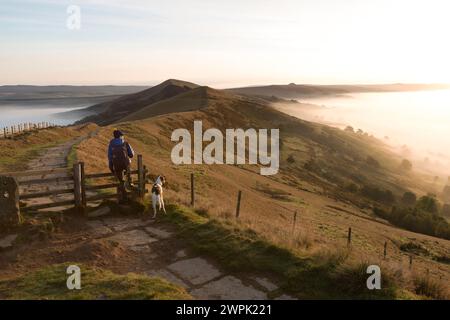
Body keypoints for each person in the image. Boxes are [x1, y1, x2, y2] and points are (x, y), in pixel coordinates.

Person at [108, 130, 135, 202]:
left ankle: (124, 196)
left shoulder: (111, 144)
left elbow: (110, 156)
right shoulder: (125, 143)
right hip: (125, 164)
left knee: (121, 181)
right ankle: (130, 182)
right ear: (120, 136)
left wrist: (111, 166)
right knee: (128, 172)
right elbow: (132, 154)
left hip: (116, 165)